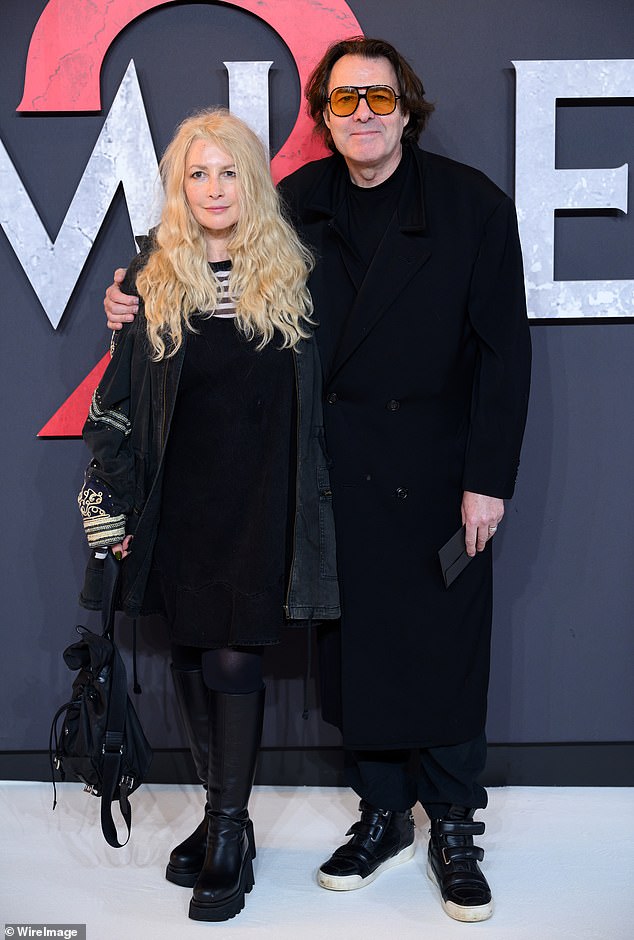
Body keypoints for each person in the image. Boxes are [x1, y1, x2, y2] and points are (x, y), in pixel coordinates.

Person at [104, 37, 531, 923]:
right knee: (361, 648)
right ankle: (381, 817)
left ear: (407, 107)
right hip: (330, 473)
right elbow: (207, 244)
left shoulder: (472, 207)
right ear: (325, 118)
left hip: (440, 469)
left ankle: (454, 826)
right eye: (345, 103)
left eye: (379, 99)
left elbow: (506, 356)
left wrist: (488, 478)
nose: (364, 116)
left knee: (446, 643)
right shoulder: (297, 205)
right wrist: (130, 292)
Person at [78, 107, 339, 923]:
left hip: (263, 500)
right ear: (178, 187)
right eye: (198, 173)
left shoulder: (295, 269)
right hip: (179, 501)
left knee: (232, 657)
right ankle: (222, 815)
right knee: (188, 651)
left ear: (251, 180)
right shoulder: (153, 271)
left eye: (229, 171)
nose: (214, 187)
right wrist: (112, 500)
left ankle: (228, 830)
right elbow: (118, 399)